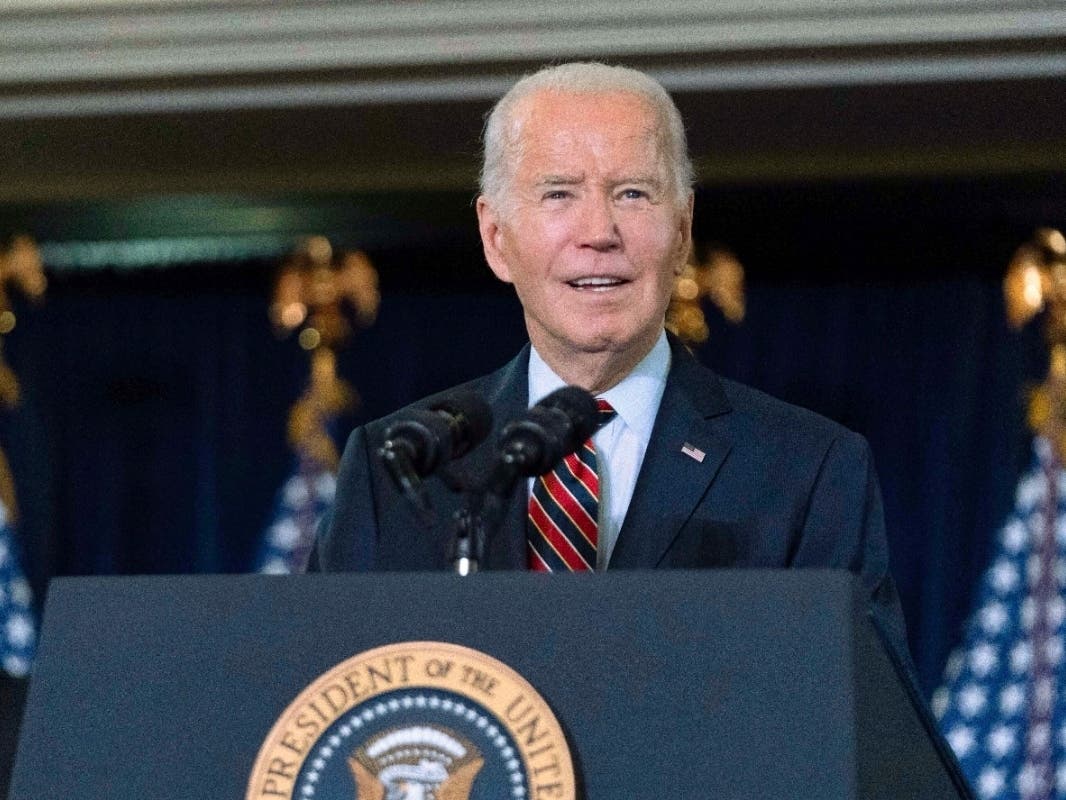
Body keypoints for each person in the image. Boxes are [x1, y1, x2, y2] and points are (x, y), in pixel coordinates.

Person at [311, 61, 909, 670]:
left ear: (682, 232)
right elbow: (325, 709)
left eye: (633, 193)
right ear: (495, 238)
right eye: (559, 194)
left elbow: (863, 735)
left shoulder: (808, 471)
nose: (598, 232)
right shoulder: (399, 464)